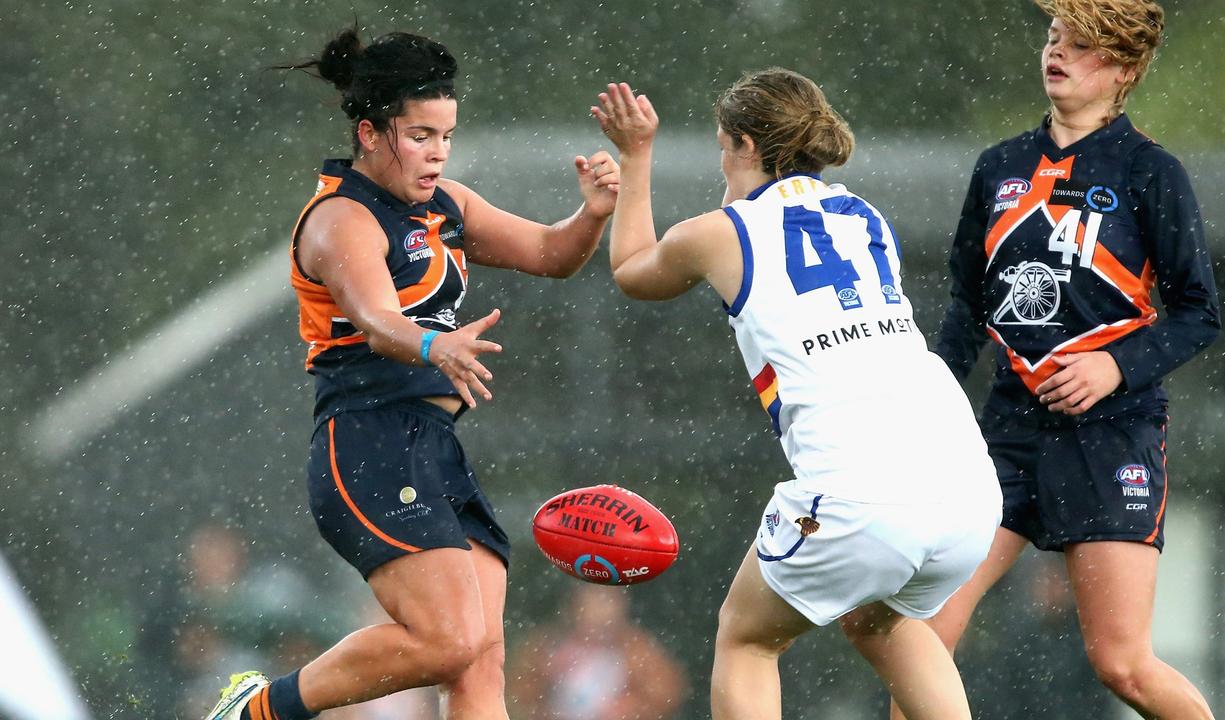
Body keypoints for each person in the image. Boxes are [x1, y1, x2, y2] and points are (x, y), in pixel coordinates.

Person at [203, 26, 620, 720]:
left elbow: (552, 253)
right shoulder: (340, 218)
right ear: (369, 132)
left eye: (447, 136)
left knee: (481, 657)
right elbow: (375, 318)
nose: (438, 153)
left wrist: (593, 215)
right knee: (450, 641)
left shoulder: (446, 205)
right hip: (365, 446)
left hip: (433, 449)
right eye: (421, 135)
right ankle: (260, 709)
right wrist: (434, 347)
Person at [591, 72, 1001, 720]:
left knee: (746, 636)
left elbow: (631, 269)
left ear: (746, 146)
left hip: (860, 493)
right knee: (879, 623)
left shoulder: (723, 230)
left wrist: (636, 154)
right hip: (968, 486)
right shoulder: (867, 217)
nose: (721, 163)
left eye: (723, 147)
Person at [910, 1, 1221, 719]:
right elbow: (967, 305)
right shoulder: (1000, 168)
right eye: (1055, 37)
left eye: (1082, 46)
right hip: (1007, 434)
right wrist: (926, 401)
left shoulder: (1150, 172)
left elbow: (1198, 314)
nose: (1058, 53)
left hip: (1112, 435)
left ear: (1123, 70)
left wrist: (1114, 366)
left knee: (1122, 665)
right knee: (922, 637)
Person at [508, 584, 689, 720]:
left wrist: (630, 707)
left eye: (606, 604)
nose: (599, 614)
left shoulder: (636, 648)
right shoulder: (548, 645)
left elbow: (666, 692)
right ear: (574, 608)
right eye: (592, 605)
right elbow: (518, 692)